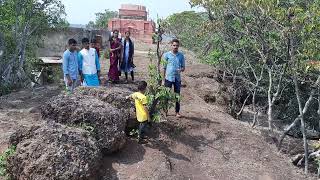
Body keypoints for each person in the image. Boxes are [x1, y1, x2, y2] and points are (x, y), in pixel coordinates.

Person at [163, 39, 185, 118]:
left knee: (177, 96)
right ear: (171, 45)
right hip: (168, 78)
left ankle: (177, 112)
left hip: (177, 78)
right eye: (174, 45)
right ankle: (165, 111)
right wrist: (163, 79)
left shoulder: (181, 56)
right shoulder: (166, 55)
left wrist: (181, 70)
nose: (175, 47)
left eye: (177, 45)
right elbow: (164, 68)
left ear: (178, 46)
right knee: (166, 95)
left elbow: (183, 67)